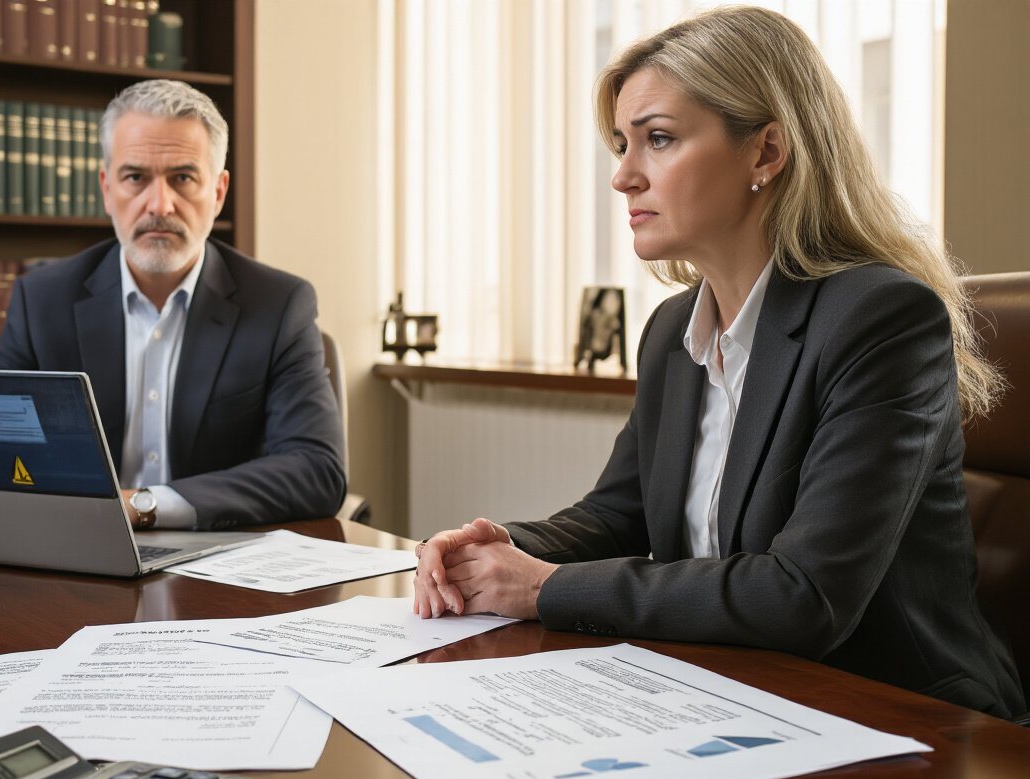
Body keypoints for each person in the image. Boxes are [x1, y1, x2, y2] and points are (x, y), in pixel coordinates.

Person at [412, 5, 1024, 718]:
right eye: (621, 145)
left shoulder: (881, 319)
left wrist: (540, 587)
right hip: (729, 691)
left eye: (659, 140)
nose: (623, 178)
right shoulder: (674, 330)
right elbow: (618, 514)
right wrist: (493, 548)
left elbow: (805, 595)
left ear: (766, 152)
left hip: (897, 714)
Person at [0, 79, 346, 531]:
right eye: (135, 177)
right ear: (106, 189)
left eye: (183, 178)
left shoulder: (278, 306)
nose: (160, 204)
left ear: (217, 192)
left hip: (222, 561)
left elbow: (318, 470)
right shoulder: (42, 301)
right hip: (80, 559)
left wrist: (142, 505)